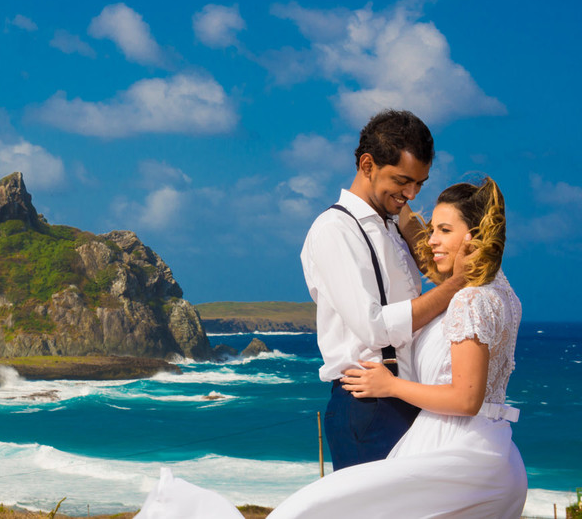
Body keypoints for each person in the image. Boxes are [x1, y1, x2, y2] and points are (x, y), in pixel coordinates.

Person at [135, 177, 526, 519]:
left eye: (444, 230)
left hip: (452, 446)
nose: (432, 240)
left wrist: (390, 387)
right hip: (487, 448)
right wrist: (387, 194)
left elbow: (465, 398)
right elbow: (429, 253)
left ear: (472, 237)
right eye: (432, 228)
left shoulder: (468, 300)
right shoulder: (501, 294)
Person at [300, 109, 467, 469]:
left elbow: (437, 271)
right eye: (402, 180)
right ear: (367, 164)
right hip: (368, 404)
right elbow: (373, 326)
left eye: (420, 184)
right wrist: (457, 285)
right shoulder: (334, 230)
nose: (411, 193)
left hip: (406, 396)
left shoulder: (393, 224)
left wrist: (408, 223)